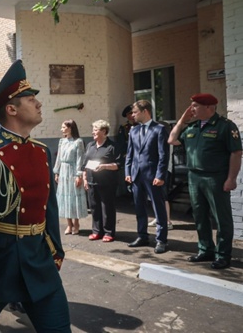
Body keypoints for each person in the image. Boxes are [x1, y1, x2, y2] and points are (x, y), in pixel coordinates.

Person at [0, 60, 71, 332]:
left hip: (38, 259)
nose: (39, 104)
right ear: (11, 109)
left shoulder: (42, 151)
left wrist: (56, 250)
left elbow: (49, 208)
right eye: (31, 99)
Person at [168, 93, 242, 270]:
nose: (191, 109)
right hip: (194, 177)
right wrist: (181, 121)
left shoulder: (225, 126)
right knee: (200, 216)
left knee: (221, 218)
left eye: (195, 106)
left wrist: (231, 178)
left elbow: (236, 153)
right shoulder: (193, 127)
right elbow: (171, 139)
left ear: (209, 107)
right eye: (191, 106)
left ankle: (223, 255)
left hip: (215, 178)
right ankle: (205, 249)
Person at [125, 100, 170, 254]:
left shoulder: (159, 129)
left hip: (153, 175)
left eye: (135, 112)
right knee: (139, 207)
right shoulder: (133, 131)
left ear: (145, 111)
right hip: (136, 175)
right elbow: (130, 154)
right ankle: (142, 235)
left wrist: (160, 175)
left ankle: (161, 240)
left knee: (158, 208)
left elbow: (164, 155)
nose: (133, 115)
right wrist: (128, 172)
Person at [83, 120, 121, 242]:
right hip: (91, 181)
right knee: (94, 207)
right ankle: (96, 231)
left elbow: (119, 165)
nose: (93, 132)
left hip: (107, 182)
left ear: (104, 131)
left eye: (95, 129)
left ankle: (109, 232)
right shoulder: (90, 146)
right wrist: (84, 178)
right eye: (93, 129)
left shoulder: (112, 146)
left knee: (107, 208)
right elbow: (85, 164)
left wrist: (104, 166)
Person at [53, 119, 88, 235]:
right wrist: (56, 172)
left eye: (63, 127)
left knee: (74, 196)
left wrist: (79, 175)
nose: (61, 129)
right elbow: (59, 158)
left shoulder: (78, 142)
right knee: (64, 197)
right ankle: (69, 224)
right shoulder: (62, 141)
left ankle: (76, 223)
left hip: (73, 170)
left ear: (70, 128)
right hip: (63, 170)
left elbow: (80, 158)